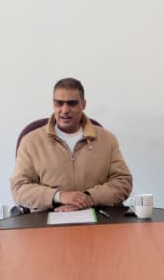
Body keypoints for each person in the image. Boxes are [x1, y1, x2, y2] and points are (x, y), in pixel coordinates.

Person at [9, 77, 133, 212]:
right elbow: (19, 188)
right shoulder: (31, 142)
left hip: (96, 215)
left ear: (83, 104)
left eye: (72, 103)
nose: (65, 109)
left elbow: (123, 182)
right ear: (53, 104)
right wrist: (59, 197)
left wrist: (87, 199)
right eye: (59, 103)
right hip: (47, 217)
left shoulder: (107, 139)